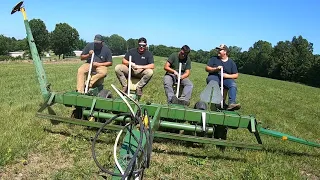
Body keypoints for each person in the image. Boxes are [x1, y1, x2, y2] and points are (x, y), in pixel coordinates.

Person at [205, 44, 241, 110]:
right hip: (214, 76)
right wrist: (215, 69)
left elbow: (236, 75)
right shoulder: (214, 59)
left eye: (220, 50)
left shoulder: (231, 62)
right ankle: (218, 102)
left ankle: (231, 103)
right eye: (218, 50)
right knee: (214, 83)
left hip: (225, 79)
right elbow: (207, 68)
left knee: (233, 84)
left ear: (225, 52)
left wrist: (227, 75)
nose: (218, 51)